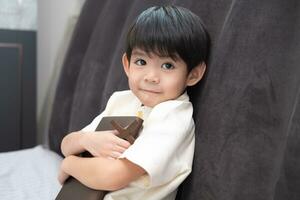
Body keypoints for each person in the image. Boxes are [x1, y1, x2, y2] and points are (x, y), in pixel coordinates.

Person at [58, 5, 209, 200]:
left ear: (193, 74)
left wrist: (68, 164)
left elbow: (113, 176)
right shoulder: (122, 100)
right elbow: (67, 144)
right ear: (127, 65)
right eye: (141, 62)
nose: (151, 77)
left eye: (167, 65)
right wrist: (86, 140)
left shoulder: (174, 116)